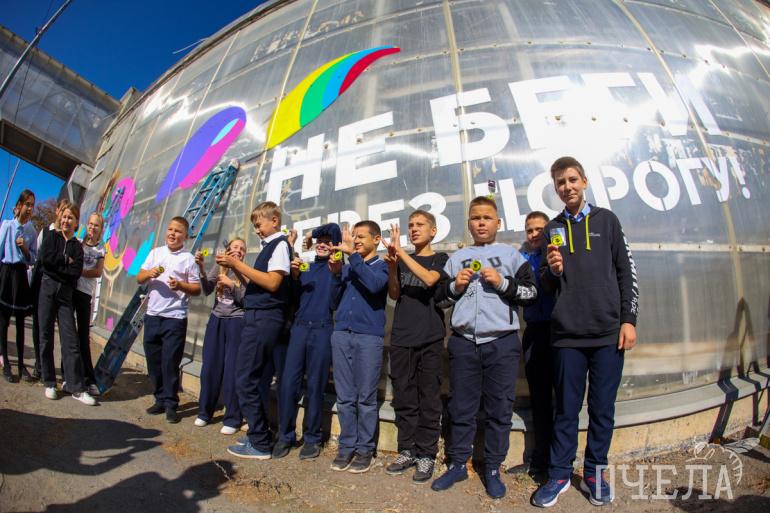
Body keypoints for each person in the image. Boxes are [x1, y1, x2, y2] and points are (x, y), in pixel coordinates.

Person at [531, 156, 638, 508]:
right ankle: (560, 474)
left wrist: (628, 320)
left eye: (572, 180)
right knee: (566, 409)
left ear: (584, 181)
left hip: (607, 333)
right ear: (556, 188)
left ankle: (594, 472)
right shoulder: (552, 229)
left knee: (602, 409)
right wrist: (552, 271)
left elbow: (626, 272)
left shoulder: (607, 221)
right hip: (567, 337)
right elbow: (545, 286)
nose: (567, 187)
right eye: (561, 183)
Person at [431, 196, 537, 499]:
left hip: (501, 343)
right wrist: (455, 286)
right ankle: (457, 464)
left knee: (499, 408)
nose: (481, 223)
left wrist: (503, 283)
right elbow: (439, 299)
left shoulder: (512, 256)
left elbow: (531, 294)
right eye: (475, 218)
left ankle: (492, 468)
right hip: (464, 342)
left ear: (498, 223)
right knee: (461, 406)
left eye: (487, 218)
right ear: (468, 223)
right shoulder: (457, 258)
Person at [382, 211, 448, 483]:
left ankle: (426, 454)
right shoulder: (402, 259)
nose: (414, 229)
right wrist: (392, 267)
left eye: (420, 225)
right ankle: (407, 449)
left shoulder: (440, 258)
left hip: (429, 337)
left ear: (433, 231)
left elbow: (430, 280)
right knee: (404, 396)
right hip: (402, 337)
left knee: (428, 397)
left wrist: (401, 254)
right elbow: (394, 293)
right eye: (411, 225)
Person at [223, 201, 291, 460]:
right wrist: (234, 267)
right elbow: (256, 283)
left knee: (245, 378)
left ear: (274, 221)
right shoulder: (269, 247)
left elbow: (273, 283)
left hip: (264, 318)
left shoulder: (280, 244)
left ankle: (260, 442)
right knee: (252, 377)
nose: (257, 230)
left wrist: (237, 264)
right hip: (257, 316)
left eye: (259, 224)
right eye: (254, 226)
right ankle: (258, 434)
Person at [273, 223, 340, 460]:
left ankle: (312, 438)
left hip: (322, 328)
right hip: (299, 329)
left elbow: (334, 227)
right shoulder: (305, 267)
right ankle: (285, 435)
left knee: (315, 386)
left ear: (335, 246)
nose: (322, 245)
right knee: (288, 383)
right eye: (319, 242)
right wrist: (294, 277)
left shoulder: (336, 268)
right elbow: (292, 298)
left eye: (327, 242)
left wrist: (311, 234)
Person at [327, 221, 389, 474]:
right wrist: (335, 275)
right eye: (354, 236)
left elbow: (375, 285)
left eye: (361, 236)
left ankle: (365, 449)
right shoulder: (348, 267)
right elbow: (333, 302)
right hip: (342, 334)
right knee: (344, 397)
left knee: (365, 398)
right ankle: (346, 446)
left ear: (377, 239)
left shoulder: (382, 266)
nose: (356, 240)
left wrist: (352, 256)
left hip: (368, 338)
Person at [137, 216, 201, 424]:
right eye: (170, 229)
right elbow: (139, 277)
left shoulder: (188, 259)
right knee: (153, 361)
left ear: (185, 236)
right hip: (153, 315)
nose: (173, 234)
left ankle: (172, 404)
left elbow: (197, 289)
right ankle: (160, 400)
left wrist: (180, 285)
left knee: (170, 363)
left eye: (178, 231)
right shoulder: (155, 253)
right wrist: (149, 273)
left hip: (175, 318)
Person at [38, 203, 93, 405]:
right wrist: (64, 260)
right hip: (47, 289)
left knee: (70, 340)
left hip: (65, 295)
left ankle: (76, 387)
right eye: (64, 216)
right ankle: (49, 382)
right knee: (45, 335)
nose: (66, 220)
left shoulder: (77, 247)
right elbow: (45, 260)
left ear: (77, 222)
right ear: (60, 218)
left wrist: (60, 265)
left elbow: (75, 272)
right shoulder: (51, 237)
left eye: (71, 217)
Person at [193, 238, 247, 435]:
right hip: (216, 319)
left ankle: (232, 418)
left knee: (232, 369)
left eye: (242, 249)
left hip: (236, 322)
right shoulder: (220, 267)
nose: (238, 250)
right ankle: (204, 412)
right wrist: (201, 269)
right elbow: (207, 290)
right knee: (210, 367)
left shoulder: (245, 271)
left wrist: (232, 285)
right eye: (235, 247)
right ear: (228, 250)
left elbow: (246, 300)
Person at [519, 211, 556, 480]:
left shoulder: (557, 256)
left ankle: (560, 458)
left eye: (539, 230)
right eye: (529, 230)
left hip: (560, 331)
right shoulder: (521, 260)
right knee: (540, 398)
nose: (534, 235)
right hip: (534, 330)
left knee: (562, 397)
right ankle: (541, 458)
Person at [30, 198, 71, 379]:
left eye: (67, 213)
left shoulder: (69, 237)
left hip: (61, 288)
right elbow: (40, 258)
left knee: (63, 330)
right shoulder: (46, 232)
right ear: (57, 211)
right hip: (43, 284)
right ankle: (40, 365)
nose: (63, 216)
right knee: (40, 327)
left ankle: (65, 370)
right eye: (62, 211)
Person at [0, 190, 38, 382]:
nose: (30, 208)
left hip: (21, 274)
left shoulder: (31, 231)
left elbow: (33, 259)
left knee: (21, 321)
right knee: (3, 319)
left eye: (32, 205)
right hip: (6, 272)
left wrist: (24, 247)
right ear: (20, 205)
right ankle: (5, 362)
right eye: (27, 204)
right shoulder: (7, 225)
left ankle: (22, 365)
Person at [74, 212, 105, 397]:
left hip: (85, 294)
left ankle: (89, 379)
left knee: (83, 337)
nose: (93, 228)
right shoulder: (78, 243)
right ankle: (69, 375)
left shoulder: (100, 250)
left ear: (101, 229)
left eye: (96, 225)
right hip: (72, 291)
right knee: (70, 336)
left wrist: (79, 270)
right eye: (91, 224)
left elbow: (98, 272)